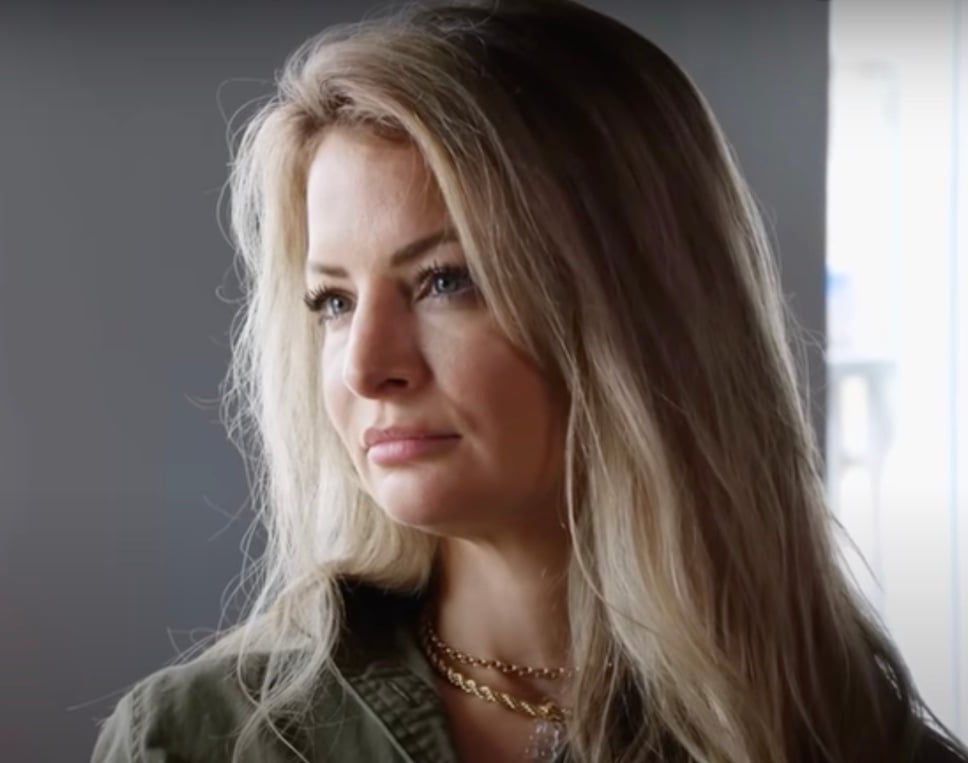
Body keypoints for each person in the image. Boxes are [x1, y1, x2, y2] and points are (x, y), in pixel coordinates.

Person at [91, 1, 968, 761]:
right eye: (331, 300)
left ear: (633, 310)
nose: (366, 364)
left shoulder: (843, 742)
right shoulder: (199, 741)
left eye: (447, 280)